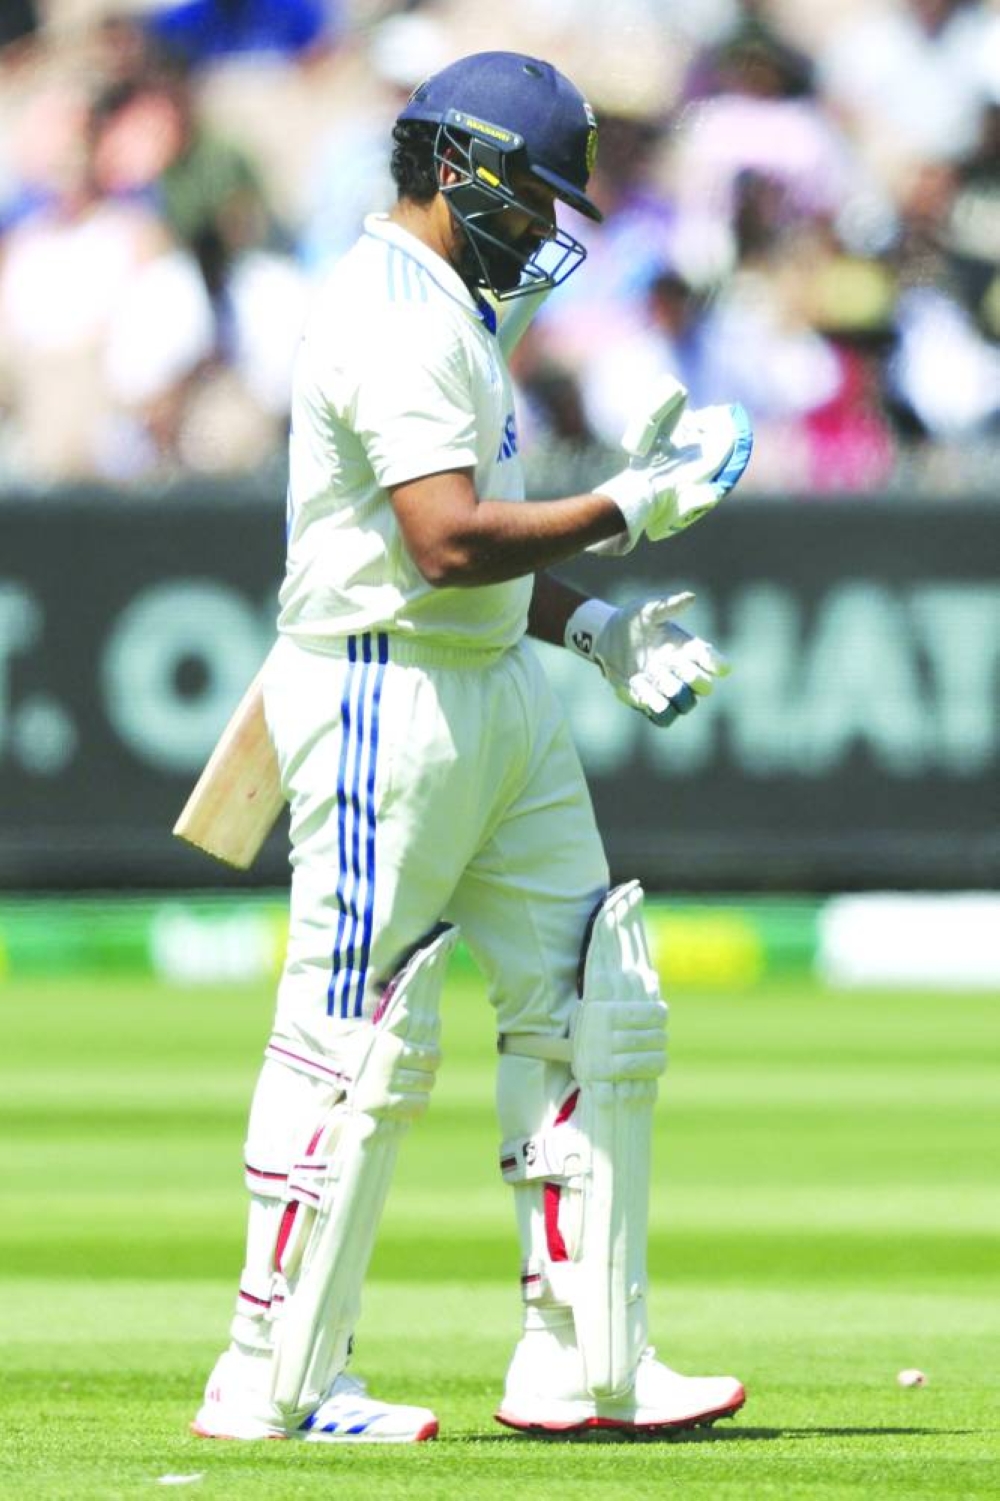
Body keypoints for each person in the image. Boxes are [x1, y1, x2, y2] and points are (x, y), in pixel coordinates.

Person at [192, 49, 753, 1445]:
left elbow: (471, 564)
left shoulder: (452, 304)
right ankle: (268, 1375)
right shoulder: (389, 310)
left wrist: (591, 627)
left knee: (590, 1002)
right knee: (350, 1036)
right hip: (386, 699)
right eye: (534, 193)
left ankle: (582, 1357)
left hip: (491, 688)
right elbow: (442, 543)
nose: (548, 225)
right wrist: (624, 508)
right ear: (458, 168)